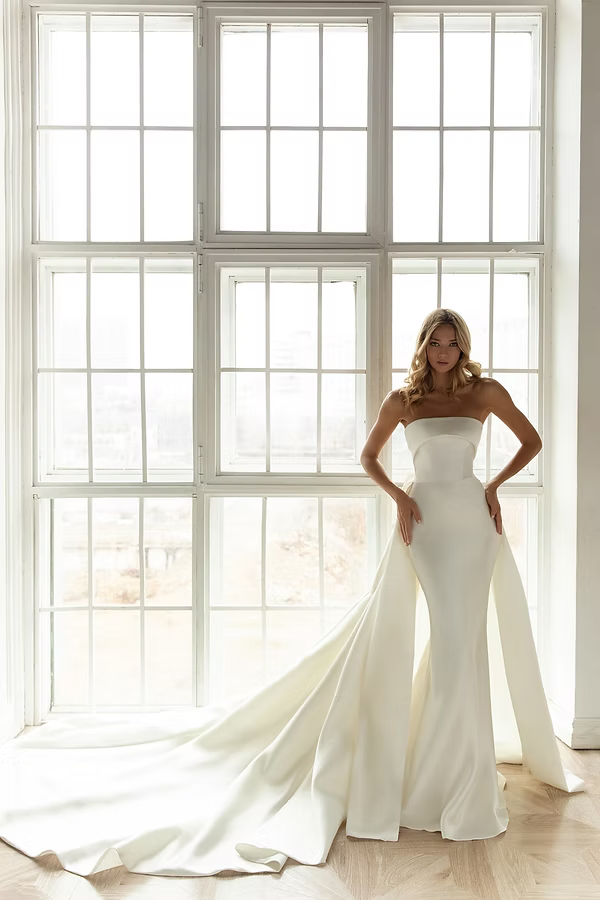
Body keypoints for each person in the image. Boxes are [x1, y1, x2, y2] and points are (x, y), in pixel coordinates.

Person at [0, 309, 585, 878]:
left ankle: (458, 773)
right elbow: (368, 458)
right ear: (423, 346)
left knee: (463, 647)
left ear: (463, 347)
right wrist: (402, 499)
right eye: (436, 343)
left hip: (473, 529)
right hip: (426, 528)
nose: (444, 353)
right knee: (453, 644)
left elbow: (530, 441)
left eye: (452, 343)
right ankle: (444, 774)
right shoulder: (403, 402)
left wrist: (494, 487)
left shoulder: (484, 392)